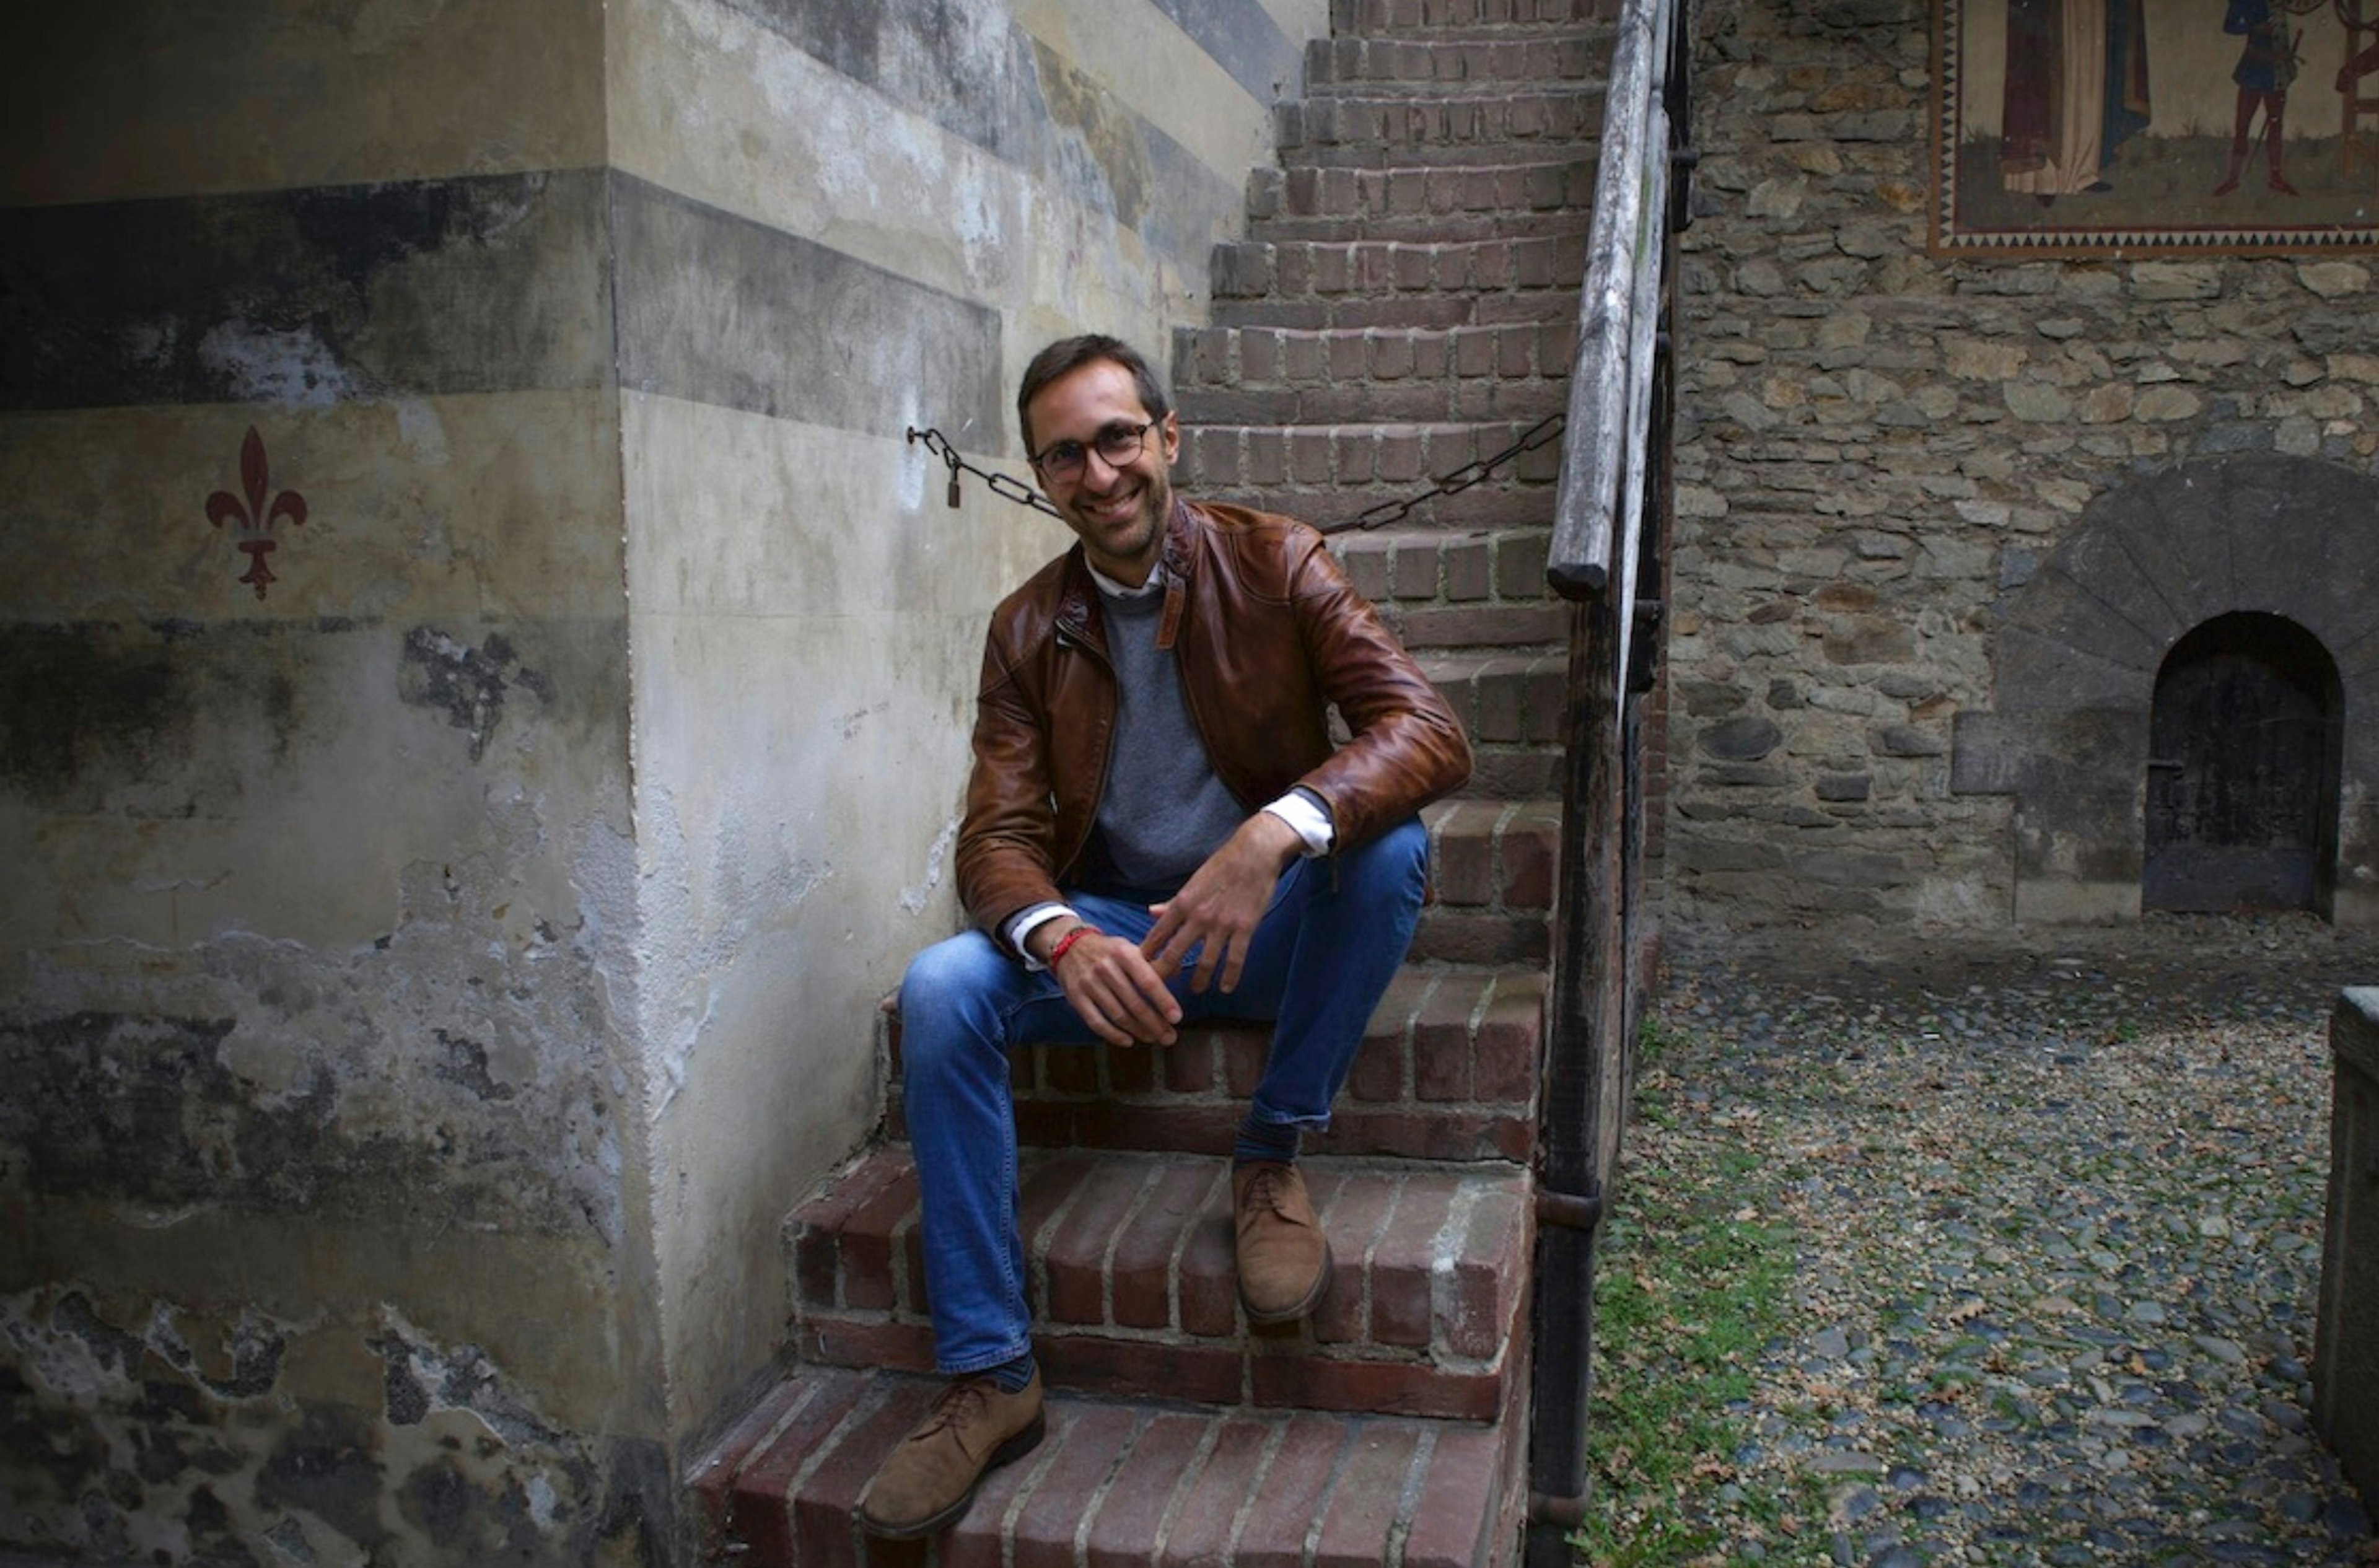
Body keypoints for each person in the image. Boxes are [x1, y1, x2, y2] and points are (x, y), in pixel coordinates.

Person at [854, 335, 1473, 1539]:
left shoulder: (1276, 557)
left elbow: (1427, 726)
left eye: (1118, 437)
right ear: (1043, 475)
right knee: (939, 989)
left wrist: (1275, 833)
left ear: (1168, 437)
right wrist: (1061, 939)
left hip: (1270, 921)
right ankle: (992, 1375)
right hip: (1125, 942)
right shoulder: (1027, 628)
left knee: (1391, 852)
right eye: (1066, 453)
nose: (1099, 471)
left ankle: (1269, 1153)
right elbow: (994, 838)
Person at [2214, 0, 2300, 196]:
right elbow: (2231, 25)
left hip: (2277, 71)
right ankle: (2233, 178)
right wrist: (2254, 26)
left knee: (2276, 124)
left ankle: (2276, 177)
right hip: (2253, 69)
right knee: (2242, 124)